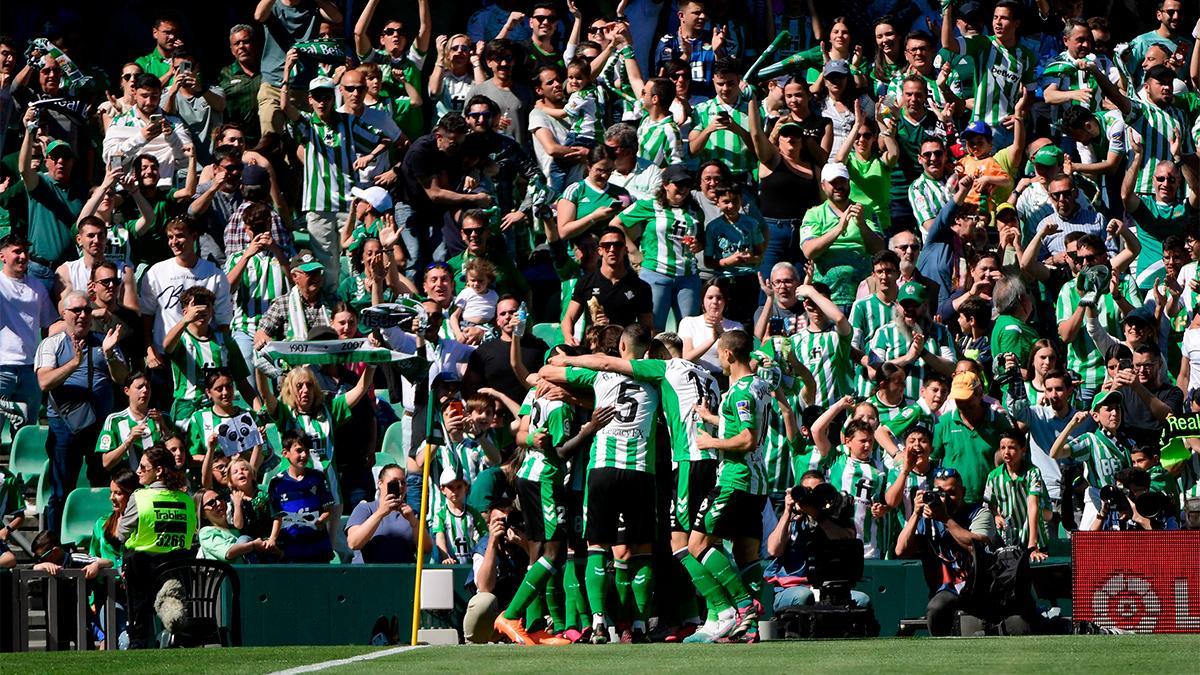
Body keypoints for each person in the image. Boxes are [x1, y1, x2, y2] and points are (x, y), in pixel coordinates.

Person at [537, 325, 661, 643]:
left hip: (604, 469)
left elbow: (545, 373)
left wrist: (567, 368)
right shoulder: (656, 376)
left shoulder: (600, 377)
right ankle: (638, 625)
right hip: (640, 472)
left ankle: (598, 622)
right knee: (641, 549)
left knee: (597, 546)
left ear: (620, 347)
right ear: (646, 351)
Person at [684, 329, 769, 642]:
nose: (718, 358)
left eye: (719, 352)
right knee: (748, 554)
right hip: (757, 483)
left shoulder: (739, 392)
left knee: (697, 544)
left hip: (735, 478)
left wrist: (710, 442)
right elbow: (747, 426)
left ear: (729, 354)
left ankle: (743, 606)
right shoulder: (760, 385)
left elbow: (746, 439)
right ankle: (751, 630)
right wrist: (712, 416)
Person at [36, 291, 127, 531]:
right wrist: (73, 363)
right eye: (76, 310)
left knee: (103, 486)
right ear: (63, 314)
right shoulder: (51, 344)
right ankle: (54, 543)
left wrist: (109, 352)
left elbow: (122, 378)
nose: (83, 315)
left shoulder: (103, 340)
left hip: (100, 426)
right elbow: (44, 382)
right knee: (61, 488)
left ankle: (101, 537)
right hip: (65, 425)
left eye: (87, 309)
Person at [894, 467, 1007, 636]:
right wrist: (916, 514)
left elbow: (976, 546)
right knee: (936, 607)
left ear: (963, 491)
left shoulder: (979, 513)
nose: (945, 499)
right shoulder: (927, 519)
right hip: (946, 590)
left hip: (979, 588)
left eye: (951, 493)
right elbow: (900, 550)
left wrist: (945, 519)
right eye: (939, 493)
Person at [117, 446, 197, 649]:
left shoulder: (141, 497)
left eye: (143, 467)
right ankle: (173, 624)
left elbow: (120, 533)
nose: (138, 471)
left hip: (141, 573)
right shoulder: (186, 500)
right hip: (176, 570)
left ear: (159, 470)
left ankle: (138, 639)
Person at [766, 471, 873, 612]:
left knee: (862, 600)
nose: (812, 496)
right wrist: (788, 511)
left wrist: (817, 515)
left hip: (830, 587)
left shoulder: (835, 513)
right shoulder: (790, 519)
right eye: (808, 492)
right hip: (793, 588)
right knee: (804, 596)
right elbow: (774, 549)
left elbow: (847, 538)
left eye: (817, 491)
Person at [799, 162, 885, 309]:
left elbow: (879, 249)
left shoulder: (866, 211)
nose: (839, 186)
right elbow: (809, 251)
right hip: (826, 297)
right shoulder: (814, 214)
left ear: (849, 183)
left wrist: (862, 224)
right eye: (833, 182)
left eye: (842, 181)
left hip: (863, 296)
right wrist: (839, 228)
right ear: (823, 185)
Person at [1049, 390, 1134, 530]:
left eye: (1117, 408)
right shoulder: (1090, 440)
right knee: (1086, 548)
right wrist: (1071, 425)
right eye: (1108, 409)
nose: (1114, 413)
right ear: (1095, 416)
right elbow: (1055, 453)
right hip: (1097, 502)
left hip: (1123, 503)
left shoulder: (1127, 443)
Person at [0, 234, 55, 434]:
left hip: (30, 369)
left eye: (25, 252)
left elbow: (51, 323)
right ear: (2, 256)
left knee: (26, 433)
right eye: (17, 251)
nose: (23, 256)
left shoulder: (37, 287)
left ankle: (21, 467)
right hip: (2, 368)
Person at [560, 226, 653, 344]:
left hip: (623, 348)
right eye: (607, 246)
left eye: (617, 245)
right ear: (600, 251)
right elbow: (568, 318)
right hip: (592, 347)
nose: (612, 249)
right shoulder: (585, 281)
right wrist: (569, 338)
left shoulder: (640, 287)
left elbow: (646, 328)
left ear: (625, 249)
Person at [931, 371, 1013, 506]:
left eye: (967, 399)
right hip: (952, 503)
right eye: (959, 399)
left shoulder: (998, 421)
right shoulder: (944, 422)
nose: (962, 404)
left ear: (980, 394)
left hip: (990, 503)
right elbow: (933, 461)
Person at [984, 430, 1051, 559]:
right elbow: (988, 505)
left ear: (1023, 450)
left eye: (1012, 448)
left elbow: (1033, 506)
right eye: (1003, 448)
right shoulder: (993, 477)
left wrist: (1032, 543)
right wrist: (996, 516)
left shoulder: (1033, 473)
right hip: (1007, 543)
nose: (1006, 452)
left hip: (1034, 541)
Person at [346, 463, 431, 564]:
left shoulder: (411, 514)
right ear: (380, 483)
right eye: (394, 483)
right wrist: (380, 513)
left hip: (402, 574)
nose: (400, 486)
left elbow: (427, 548)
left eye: (403, 483)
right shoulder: (365, 509)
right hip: (367, 574)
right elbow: (354, 543)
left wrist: (414, 522)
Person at [218, 25, 262, 144]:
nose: (241, 46)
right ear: (232, 50)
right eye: (237, 44)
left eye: (246, 42)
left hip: (267, 139)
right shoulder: (224, 74)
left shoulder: (267, 70)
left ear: (255, 44)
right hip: (238, 142)